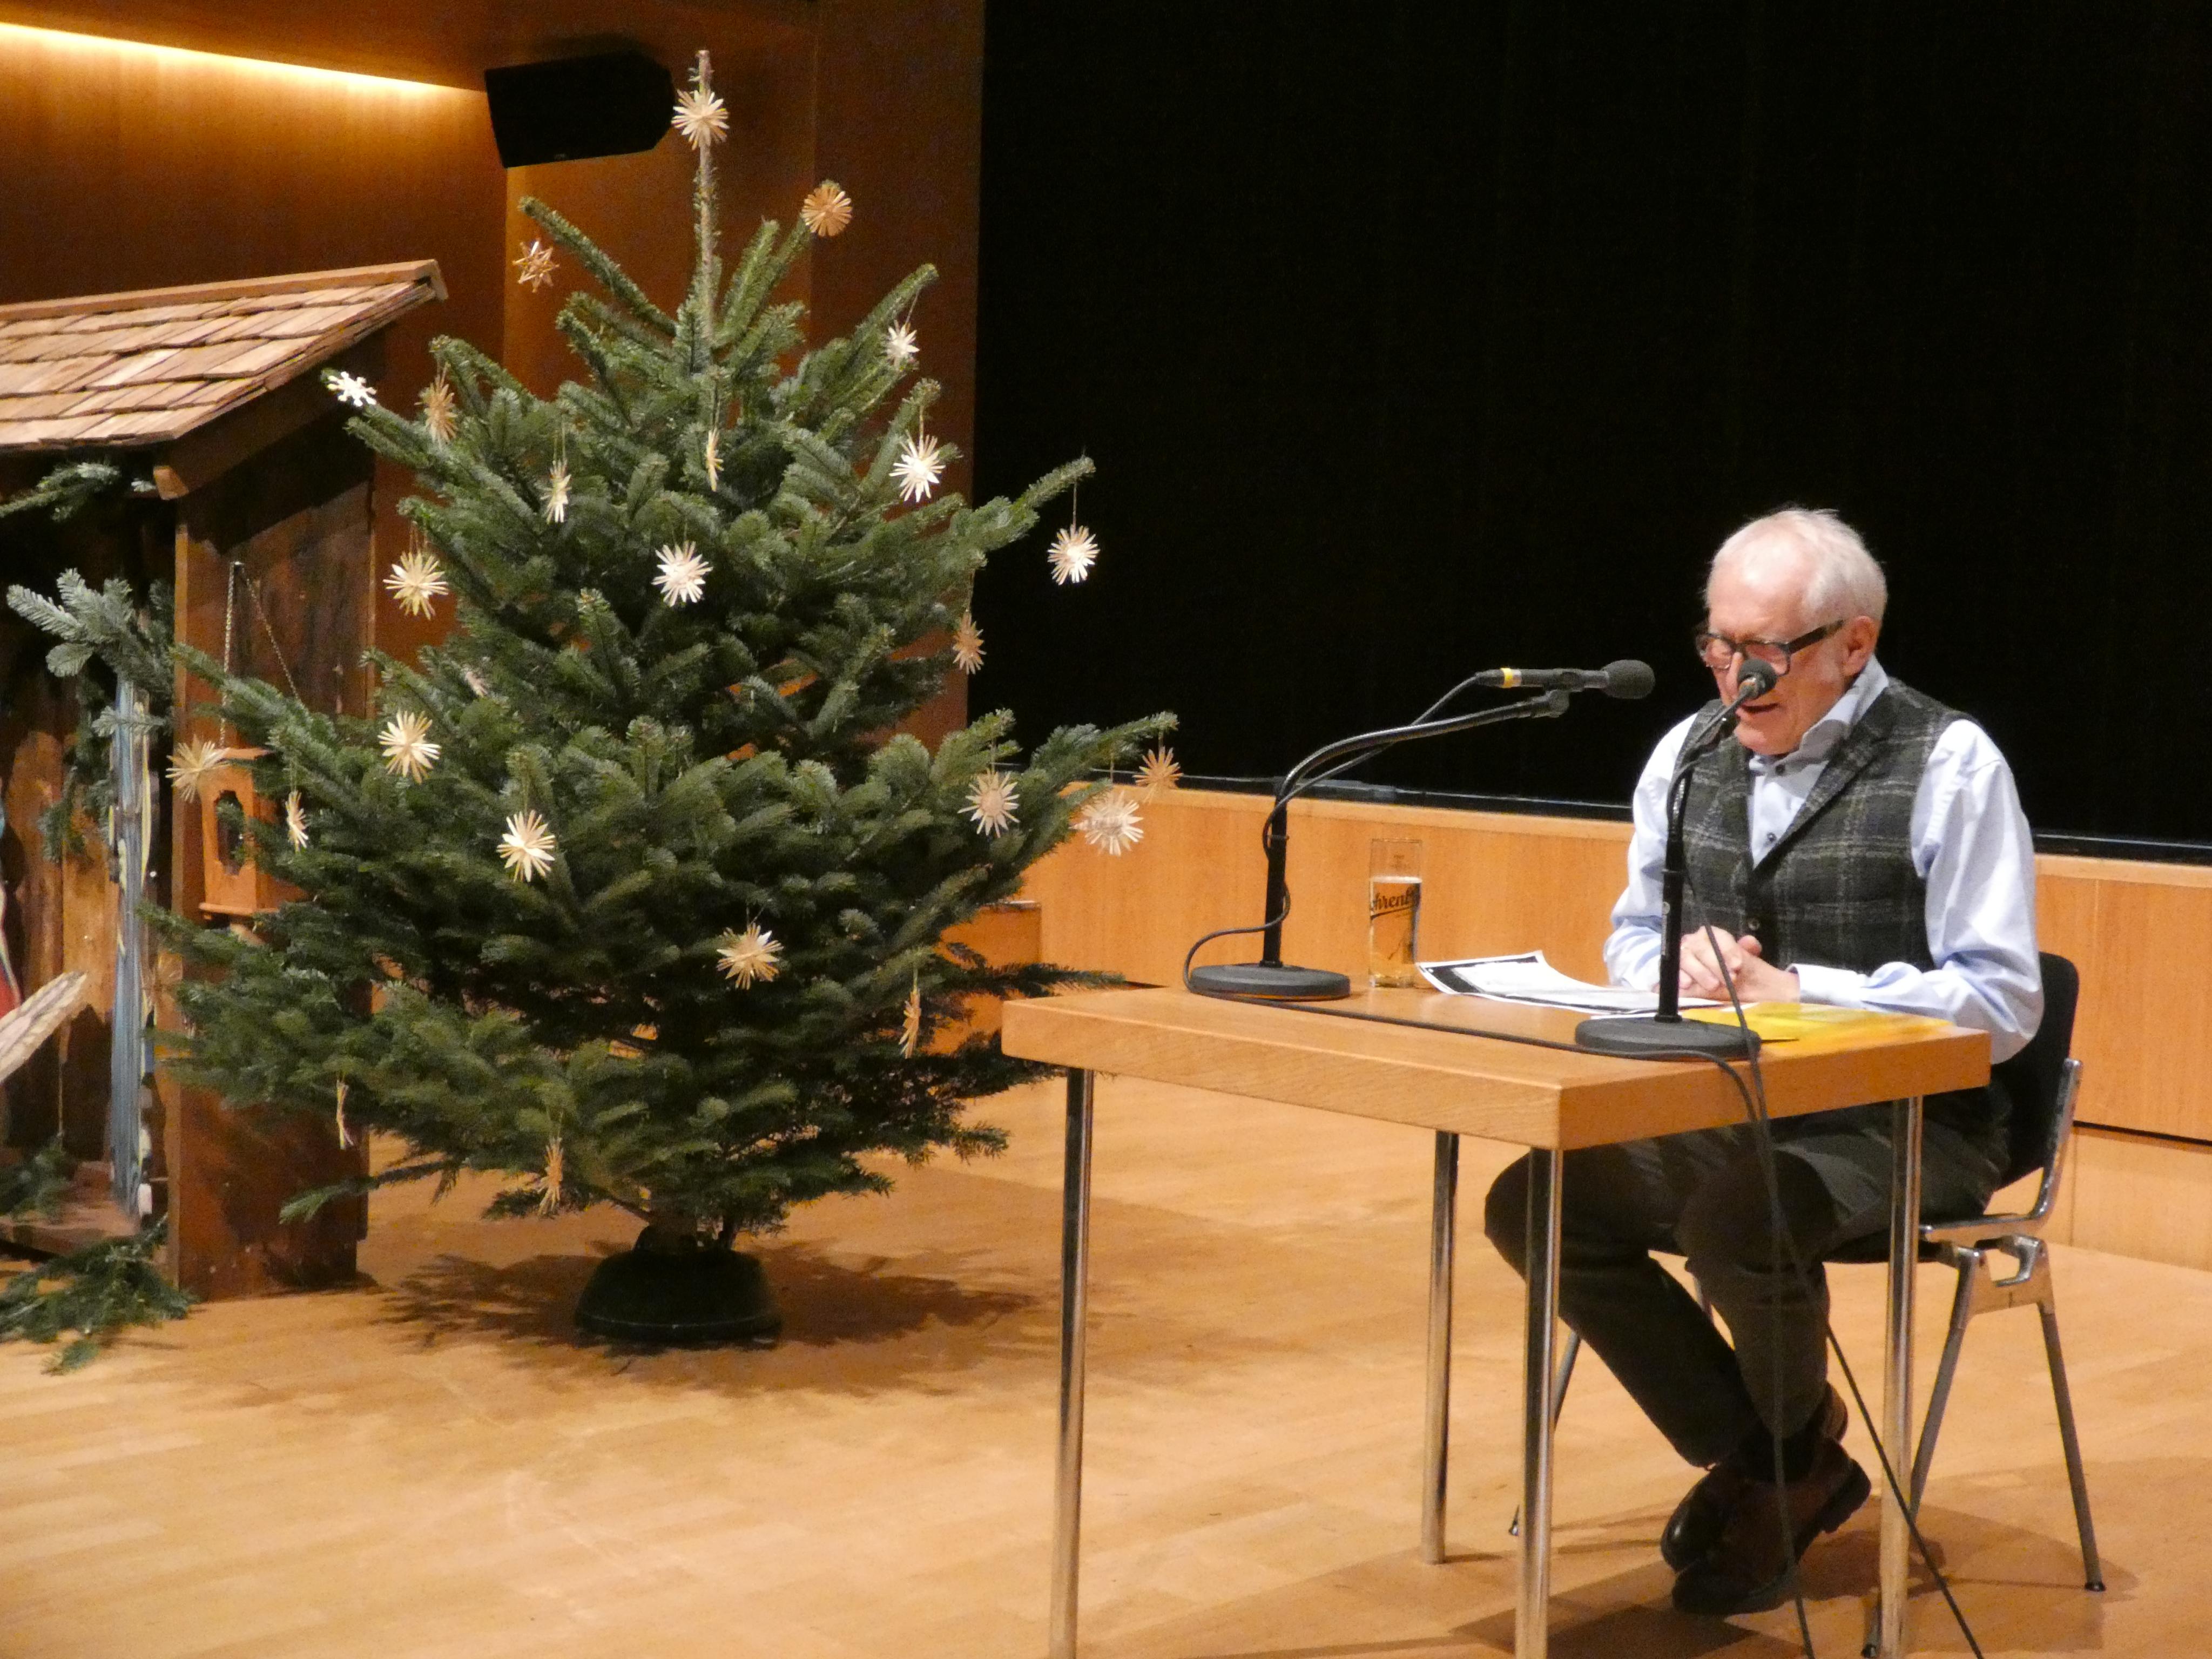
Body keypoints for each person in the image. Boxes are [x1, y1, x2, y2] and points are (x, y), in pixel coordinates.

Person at [1482, 507, 2041, 1615]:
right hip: (1741, 1106)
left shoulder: (1949, 761)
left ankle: (1776, 1471)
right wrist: (1676, 959)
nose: (1736, 678)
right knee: (1534, 1201)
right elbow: (1630, 939)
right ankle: (1780, 1457)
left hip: (1913, 1123)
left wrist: (1806, 990)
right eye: (1718, 646)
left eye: (1766, 650)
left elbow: (2003, 1000)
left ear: (1854, 643)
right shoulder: (1687, 753)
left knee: (1740, 1216)